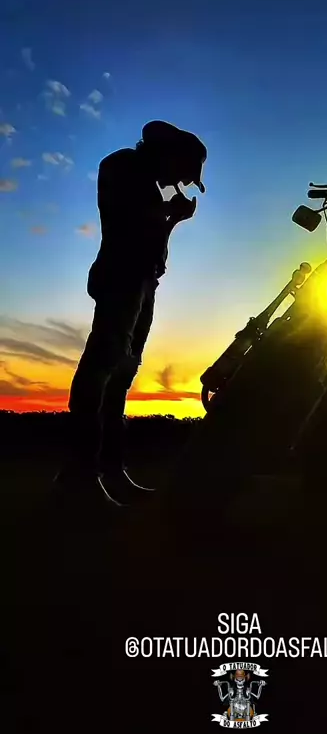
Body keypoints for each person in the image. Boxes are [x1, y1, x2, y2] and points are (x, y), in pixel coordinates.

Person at [55, 120, 207, 506]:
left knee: (121, 374)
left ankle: (110, 470)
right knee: (101, 368)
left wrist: (171, 220)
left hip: (140, 282)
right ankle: (79, 475)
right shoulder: (122, 166)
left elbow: (153, 249)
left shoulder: (147, 186)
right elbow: (129, 227)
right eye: (184, 171)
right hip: (121, 278)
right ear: (168, 154)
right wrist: (168, 215)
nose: (181, 182)